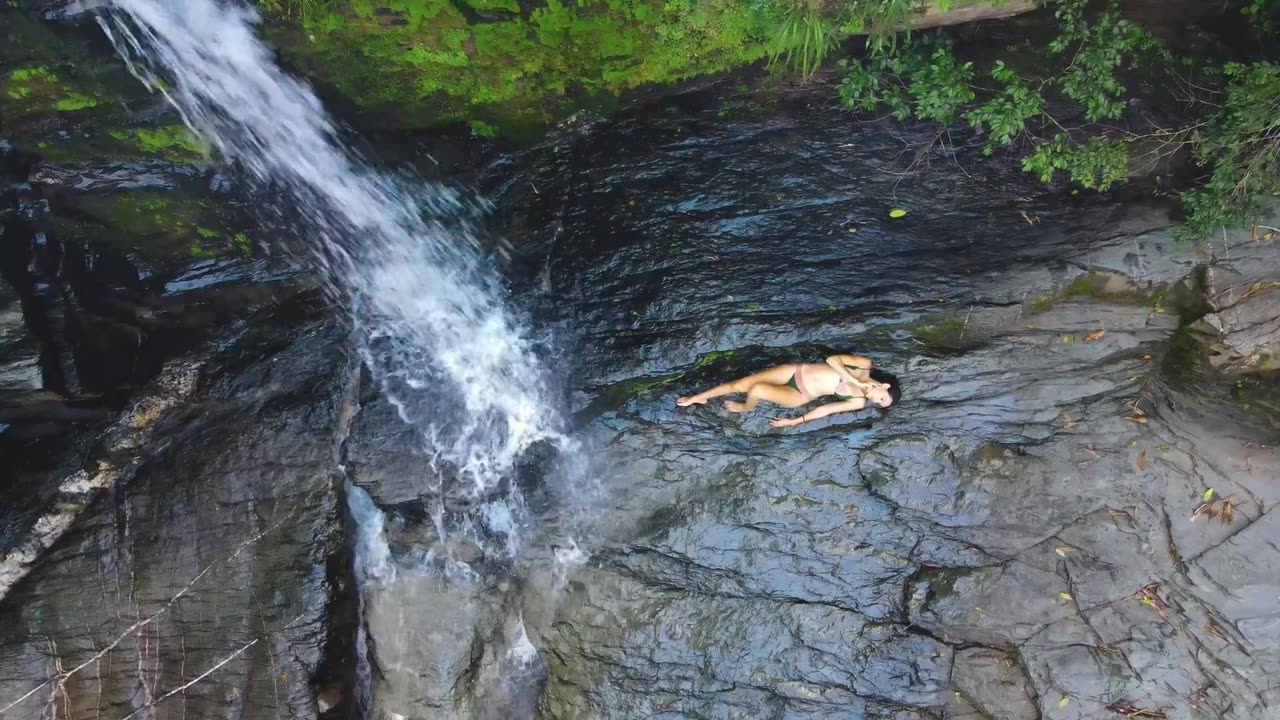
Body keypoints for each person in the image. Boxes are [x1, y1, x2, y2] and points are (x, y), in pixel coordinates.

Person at [675, 353, 901, 428]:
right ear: (884, 386)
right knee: (742, 384)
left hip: (800, 396)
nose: (877, 401)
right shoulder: (864, 365)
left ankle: (746, 407)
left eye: (880, 404)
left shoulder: (858, 402)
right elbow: (832, 360)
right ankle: (698, 398)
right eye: (882, 398)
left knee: (758, 389)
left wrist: (794, 422)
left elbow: (824, 410)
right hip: (795, 372)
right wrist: (857, 381)